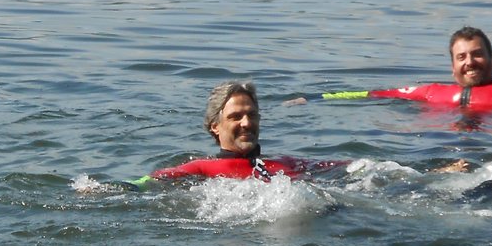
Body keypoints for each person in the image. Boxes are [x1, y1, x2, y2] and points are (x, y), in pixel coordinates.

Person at [357, 27, 492, 126]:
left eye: (477, 54)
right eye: (462, 57)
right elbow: (377, 94)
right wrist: (328, 96)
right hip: (435, 148)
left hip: (491, 151)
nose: (469, 62)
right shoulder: (431, 92)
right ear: (453, 67)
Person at [144, 80, 346, 183]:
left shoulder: (287, 163)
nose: (247, 123)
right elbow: (150, 181)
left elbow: (354, 168)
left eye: (252, 115)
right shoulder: (201, 169)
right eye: (236, 116)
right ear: (215, 125)